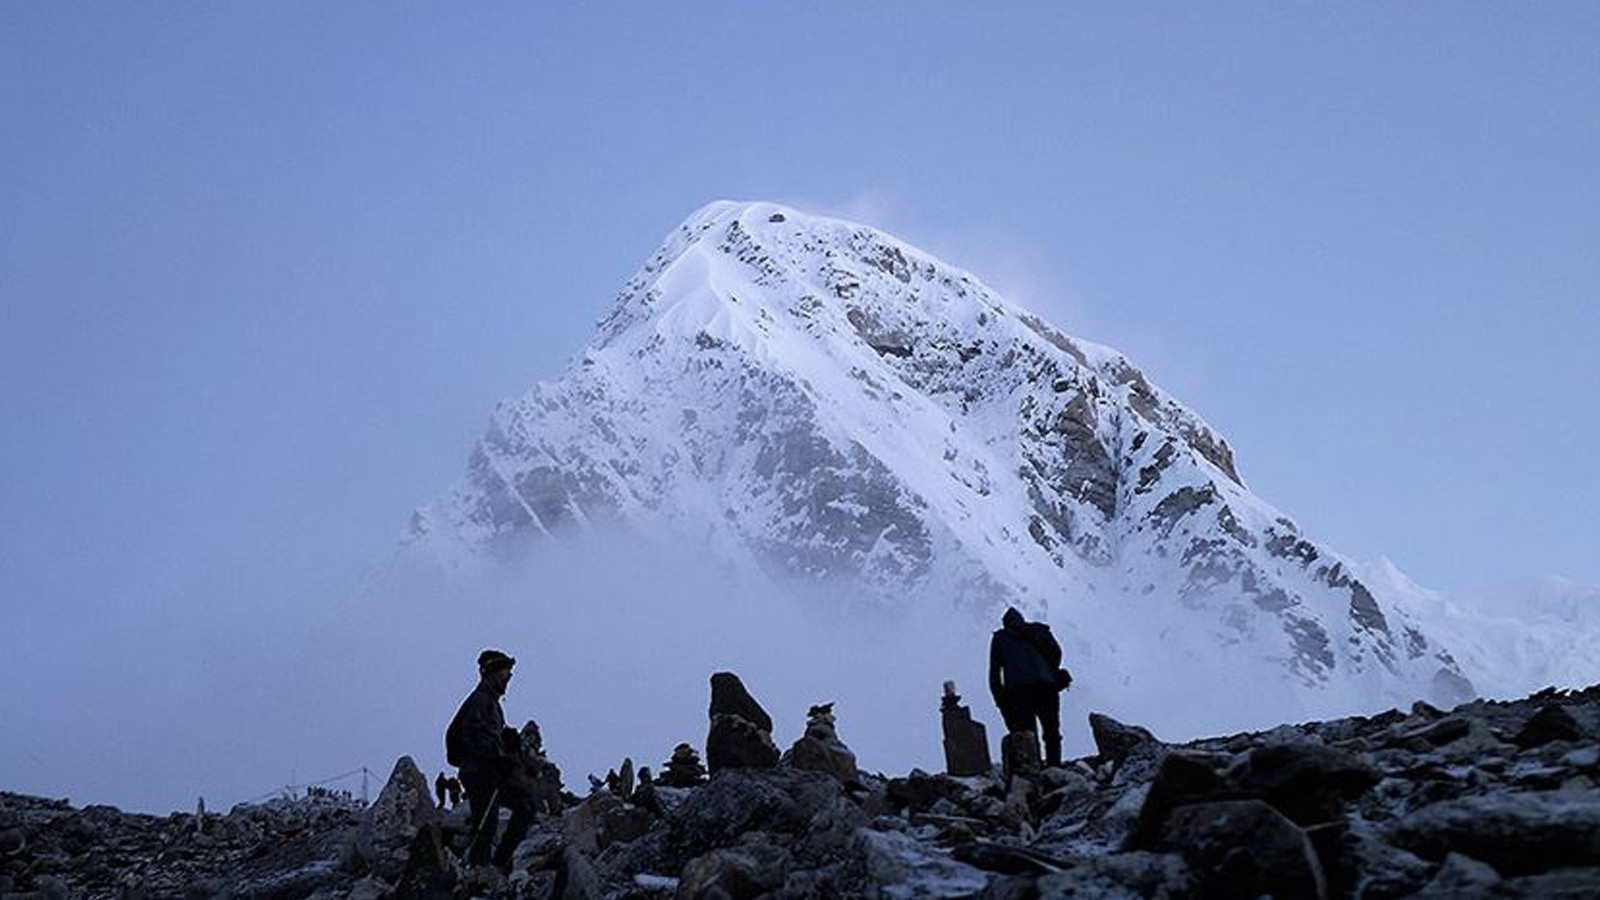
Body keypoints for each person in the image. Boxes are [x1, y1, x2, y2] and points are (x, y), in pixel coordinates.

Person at [446, 649, 534, 870]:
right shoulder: (481, 701)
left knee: (524, 806)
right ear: (492, 673)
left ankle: (493, 865)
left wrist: (506, 741)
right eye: (505, 671)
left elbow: (486, 736)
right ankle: (479, 870)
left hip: (487, 770)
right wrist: (497, 759)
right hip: (480, 771)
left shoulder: (490, 702)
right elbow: (475, 737)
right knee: (486, 822)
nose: (509, 677)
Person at [988, 606, 1065, 767]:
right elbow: (1056, 653)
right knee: (1051, 730)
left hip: (1018, 692)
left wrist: (1000, 699)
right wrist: (1049, 673)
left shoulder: (1001, 639)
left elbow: (994, 672)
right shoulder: (1039, 630)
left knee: (1027, 733)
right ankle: (1054, 766)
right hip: (1046, 687)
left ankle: (1033, 768)